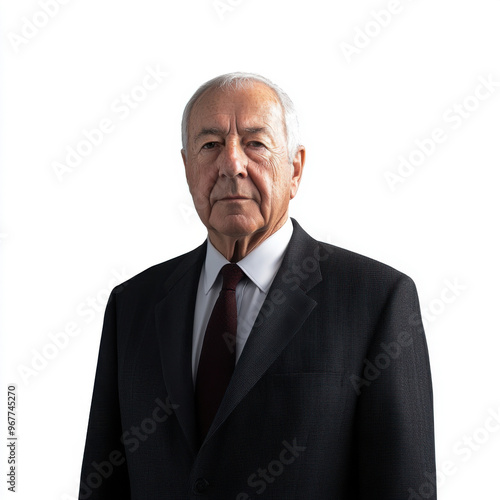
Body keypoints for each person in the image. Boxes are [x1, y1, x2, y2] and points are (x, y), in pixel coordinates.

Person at [79, 72, 437, 499]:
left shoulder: (376, 300)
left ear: (296, 169)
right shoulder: (132, 305)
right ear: (187, 167)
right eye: (210, 145)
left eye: (255, 143)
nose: (231, 163)